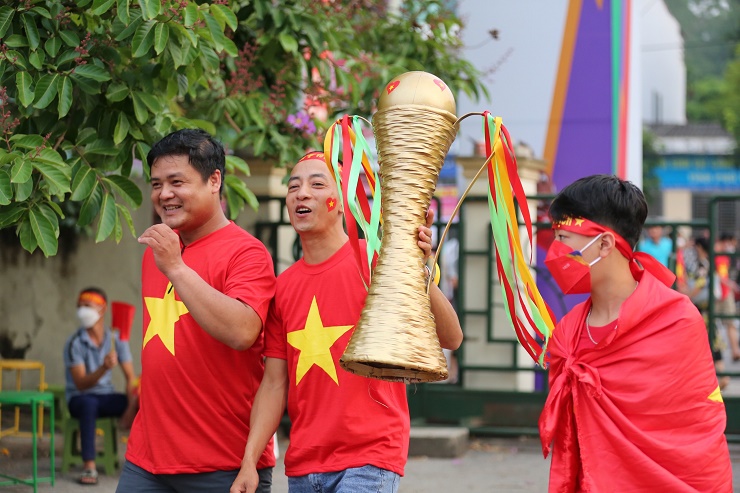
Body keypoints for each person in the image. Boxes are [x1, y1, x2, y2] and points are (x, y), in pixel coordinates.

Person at [230, 152, 463, 493]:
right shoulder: (283, 287)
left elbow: (451, 337)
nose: (301, 193)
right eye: (293, 186)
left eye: (316, 184)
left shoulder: (376, 260)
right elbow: (274, 384)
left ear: (341, 201)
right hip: (304, 465)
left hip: (370, 457)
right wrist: (249, 460)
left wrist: (417, 268)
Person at [538, 175, 732, 492]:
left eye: (563, 238)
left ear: (604, 244)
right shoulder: (568, 333)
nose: (555, 252)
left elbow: (700, 429)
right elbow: (571, 441)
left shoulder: (677, 319)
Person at [116, 129, 277, 493]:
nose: (164, 194)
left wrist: (176, 268)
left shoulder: (246, 253)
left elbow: (242, 331)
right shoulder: (156, 254)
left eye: (177, 182)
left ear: (214, 180)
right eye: (156, 184)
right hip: (146, 460)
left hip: (223, 463)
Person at [64, 287, 136, 486]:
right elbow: (80, 383)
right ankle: (89, 466)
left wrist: (131, 407)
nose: (82, 311)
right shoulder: (75, 343)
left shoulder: (116, 339)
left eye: (87, 306)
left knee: (142, 398)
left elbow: (130, 376)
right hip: (79, 398)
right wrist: (104, 368)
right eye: (80, 306)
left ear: (103, 309)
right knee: (89, 404)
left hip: (106, 396)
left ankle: (142, 463)